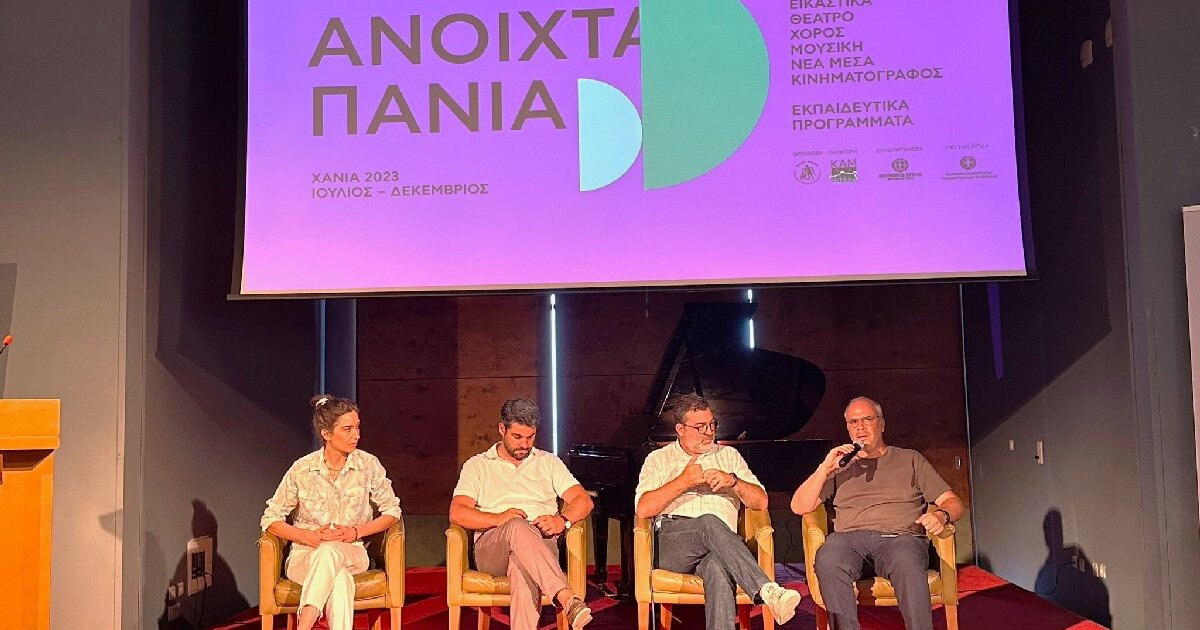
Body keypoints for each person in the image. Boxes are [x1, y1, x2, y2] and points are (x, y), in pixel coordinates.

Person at [790, 396, 967, 630]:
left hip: (899, 538)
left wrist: (941, 515)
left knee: (906, 559)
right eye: (853, 422)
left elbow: (954, 502)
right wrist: (825, 468)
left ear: (881, 424)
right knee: (829, 557)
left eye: (867, 419)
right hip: (849, 541)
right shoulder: (839, 467)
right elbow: (799, 506)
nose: (860, 427)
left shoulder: (910, 459)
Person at [634, 393, 802, 629]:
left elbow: (761, 502)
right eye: (700, 427)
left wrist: (733, 481)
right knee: (708, 522)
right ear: (680, 429)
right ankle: (767, 590)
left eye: (712, 424)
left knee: (718, 567)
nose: (709, 432)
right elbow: (643, 509)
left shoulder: (729, 456)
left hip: (722, 544)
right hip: (674, 543)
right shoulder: (658, 459)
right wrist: (682, 482)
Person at [449, 396, 595, 630]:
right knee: (517, 525)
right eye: (517, 437)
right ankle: (567, 598)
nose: (524, 445)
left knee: (521, 565)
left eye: (530, 437)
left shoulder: (548, 462)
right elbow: (457, 513)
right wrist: (499, 519)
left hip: (540, 543)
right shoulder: (478, 465)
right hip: (493, 547)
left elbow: (583, 500)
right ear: (502, 429)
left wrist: (562, 520)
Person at [260, 395, 402, 630]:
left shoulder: (368, 465)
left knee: (330, 551)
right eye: (347, 429)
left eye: (357, 427)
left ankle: (304, 626)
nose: (356, 435)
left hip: (352, 552)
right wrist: (308, 537)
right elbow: (271, 518)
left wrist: (355, 531)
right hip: (305, 556)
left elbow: (392, 511)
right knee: (340, 579)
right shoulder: (302, 469)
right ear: (326, 434)